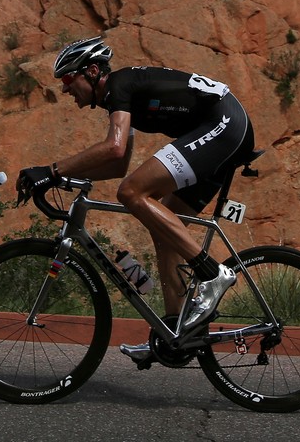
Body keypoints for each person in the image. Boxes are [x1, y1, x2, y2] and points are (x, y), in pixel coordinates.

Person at [16, 36, 256, 362]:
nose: (64, 89)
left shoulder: (119, 85)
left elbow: (113, 149)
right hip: (218, 129)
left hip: (224, 123)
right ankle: (175, 332)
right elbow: (118, 163)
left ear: (92, 71)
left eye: (69, 80)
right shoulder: (117, 98)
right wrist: (63, 177)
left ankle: (213, 273)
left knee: (131, 192)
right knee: (163, 228)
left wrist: (52, 170)